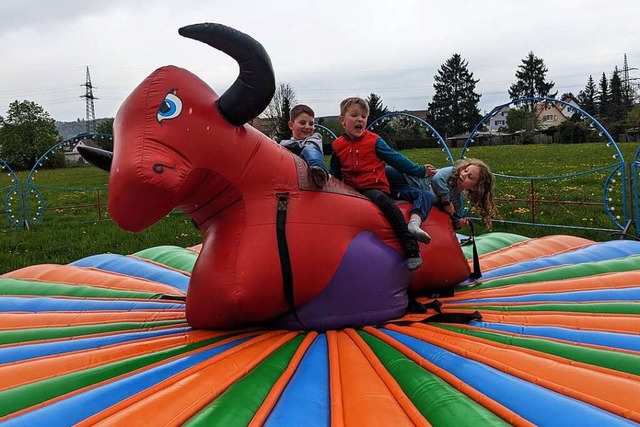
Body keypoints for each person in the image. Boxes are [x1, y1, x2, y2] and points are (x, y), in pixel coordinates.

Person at [330, 97, 435, 271]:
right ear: (342, 120)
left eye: (363, 116)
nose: (359, 120)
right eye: (354, 115)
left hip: (373, 187)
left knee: (385, 203)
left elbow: (397, 160)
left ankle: (411, 248)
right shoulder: (337, 145)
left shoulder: (374, 141)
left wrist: (420, 170)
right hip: (350, 190)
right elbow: (334, 173)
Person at [393, 158, 497, 230]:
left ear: (475, 187)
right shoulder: (451, 172)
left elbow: (452, 218)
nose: (464, 175)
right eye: (465, 170)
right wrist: (446, 201)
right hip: (407, 178)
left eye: (470, 177)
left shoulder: (456, 202)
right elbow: (437, 179)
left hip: (411, 191)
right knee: (389, 171)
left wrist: (458, 223)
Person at [279, 104, 329, 188]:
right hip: (294, 180)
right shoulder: (287, 143)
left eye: (311, 124)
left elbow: (309, 147)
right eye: (302, 123)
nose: (307, 127)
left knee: (309, 148)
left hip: (310, 160)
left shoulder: (314, 139)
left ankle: (320, 172)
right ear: (291, 125)